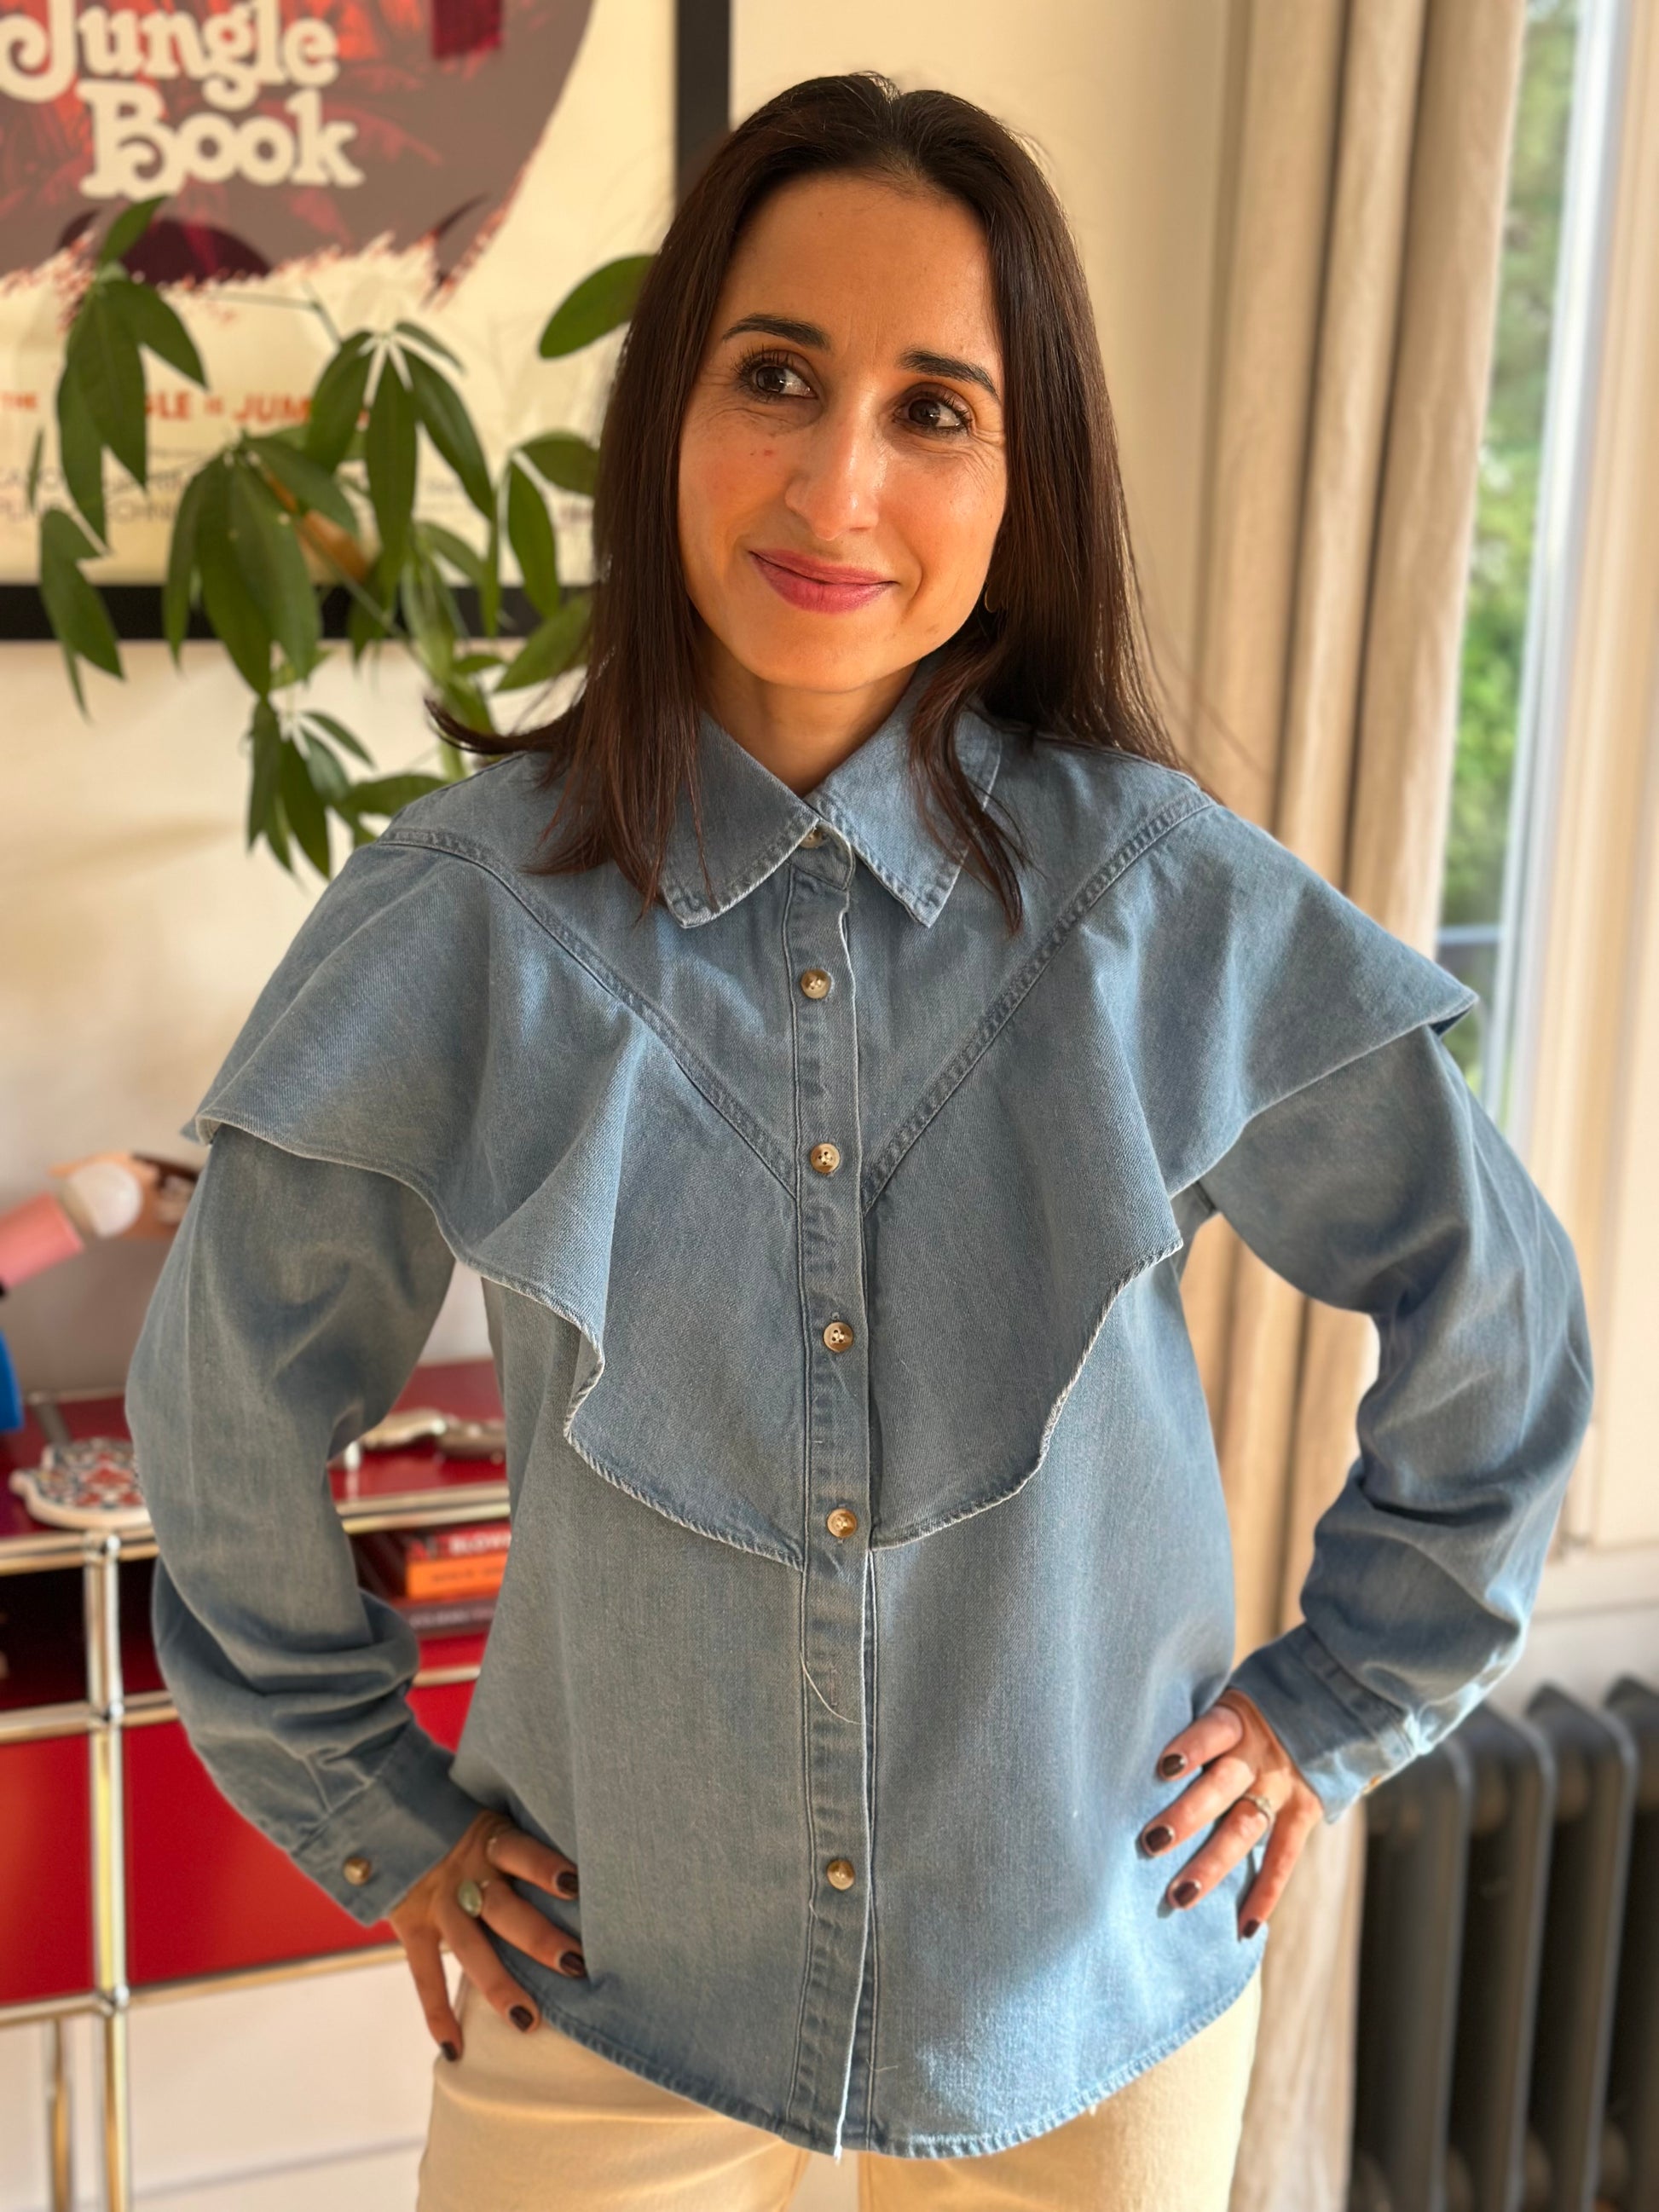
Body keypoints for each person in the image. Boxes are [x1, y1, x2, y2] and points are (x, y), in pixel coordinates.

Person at [125, 71, 1594, 2212]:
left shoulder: (1157, 901)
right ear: (670, 406)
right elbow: (227, 1395)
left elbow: (1496, 1309)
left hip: (1082, 2011)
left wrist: (1340, 1687)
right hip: (607, 2001)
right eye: (777, 376)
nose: (837, 481)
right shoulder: (462, 921)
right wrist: (369, 1798)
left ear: (1022, 476)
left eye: (935, 409)